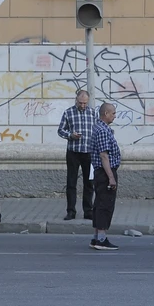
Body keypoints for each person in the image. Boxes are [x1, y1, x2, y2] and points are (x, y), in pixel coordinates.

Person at [57, 90, 96, 221]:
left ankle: (88, 210)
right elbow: (60, 130)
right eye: (80, 103)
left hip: (89, 152)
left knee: (89, 183)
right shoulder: (69, 112)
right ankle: (71, 211)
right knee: (71, 182)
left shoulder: (93, 113)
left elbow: (98, 130)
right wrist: (70, 135)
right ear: (76, 100)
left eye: (85, 103)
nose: (83, 105)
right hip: (73, 152)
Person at [89, 103, 121, 251]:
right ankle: (101, 239)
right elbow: (104, 155)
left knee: (99, 204)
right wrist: (111, 178)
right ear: (106, 113)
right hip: (105, 172)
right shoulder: (102, 130)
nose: (115, 116)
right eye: (113, 113)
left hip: (102, 172)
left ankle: (96, 238)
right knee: (105, 205)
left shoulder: (99, 127)